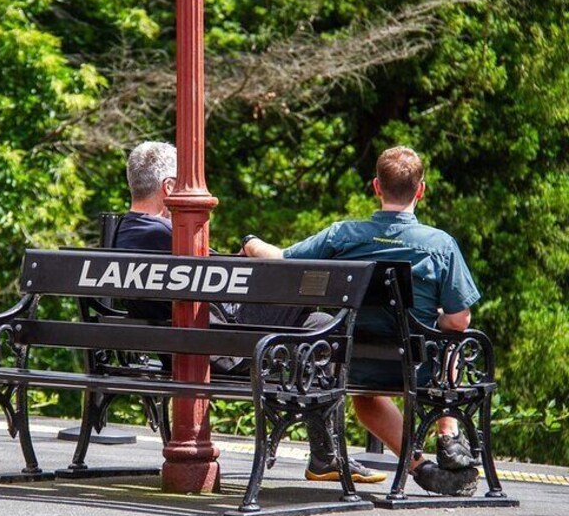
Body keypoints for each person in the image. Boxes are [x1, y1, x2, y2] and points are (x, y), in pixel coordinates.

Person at [114, 141, 385, 484]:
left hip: (181, 346)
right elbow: (229, 276)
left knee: (320, 328)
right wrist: (252, 244)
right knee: (308, 291)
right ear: (170, 188)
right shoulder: (170, 235)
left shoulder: (124, 233)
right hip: (219, 351)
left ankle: (325, 457)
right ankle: (324, 456)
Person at [241, 146, 480, 496]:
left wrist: (251, 243)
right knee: (456, 345)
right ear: (421, 190)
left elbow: (281, 259)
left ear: (376, 187)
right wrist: (437, 320)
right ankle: (448, 432)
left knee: (366, 399)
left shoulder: (342, 236)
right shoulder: (439, 244)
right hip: (416, 367)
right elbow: (459, 321)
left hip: (349, 365)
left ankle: (420, 467)